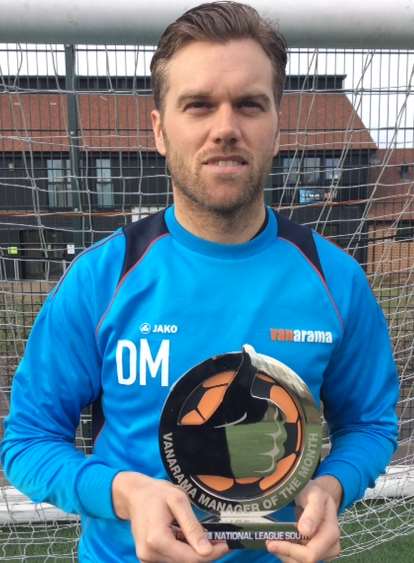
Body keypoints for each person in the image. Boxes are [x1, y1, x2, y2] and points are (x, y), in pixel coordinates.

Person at [1, 2, 399, 562]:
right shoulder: (100, 279)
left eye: (249, 105)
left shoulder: (337, 280)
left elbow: (370, 425)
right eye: (199, 105)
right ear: (161, 131)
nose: (226, 128)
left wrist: (332, 486)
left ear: (277, 126)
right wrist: (125, 493)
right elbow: (27, 441)